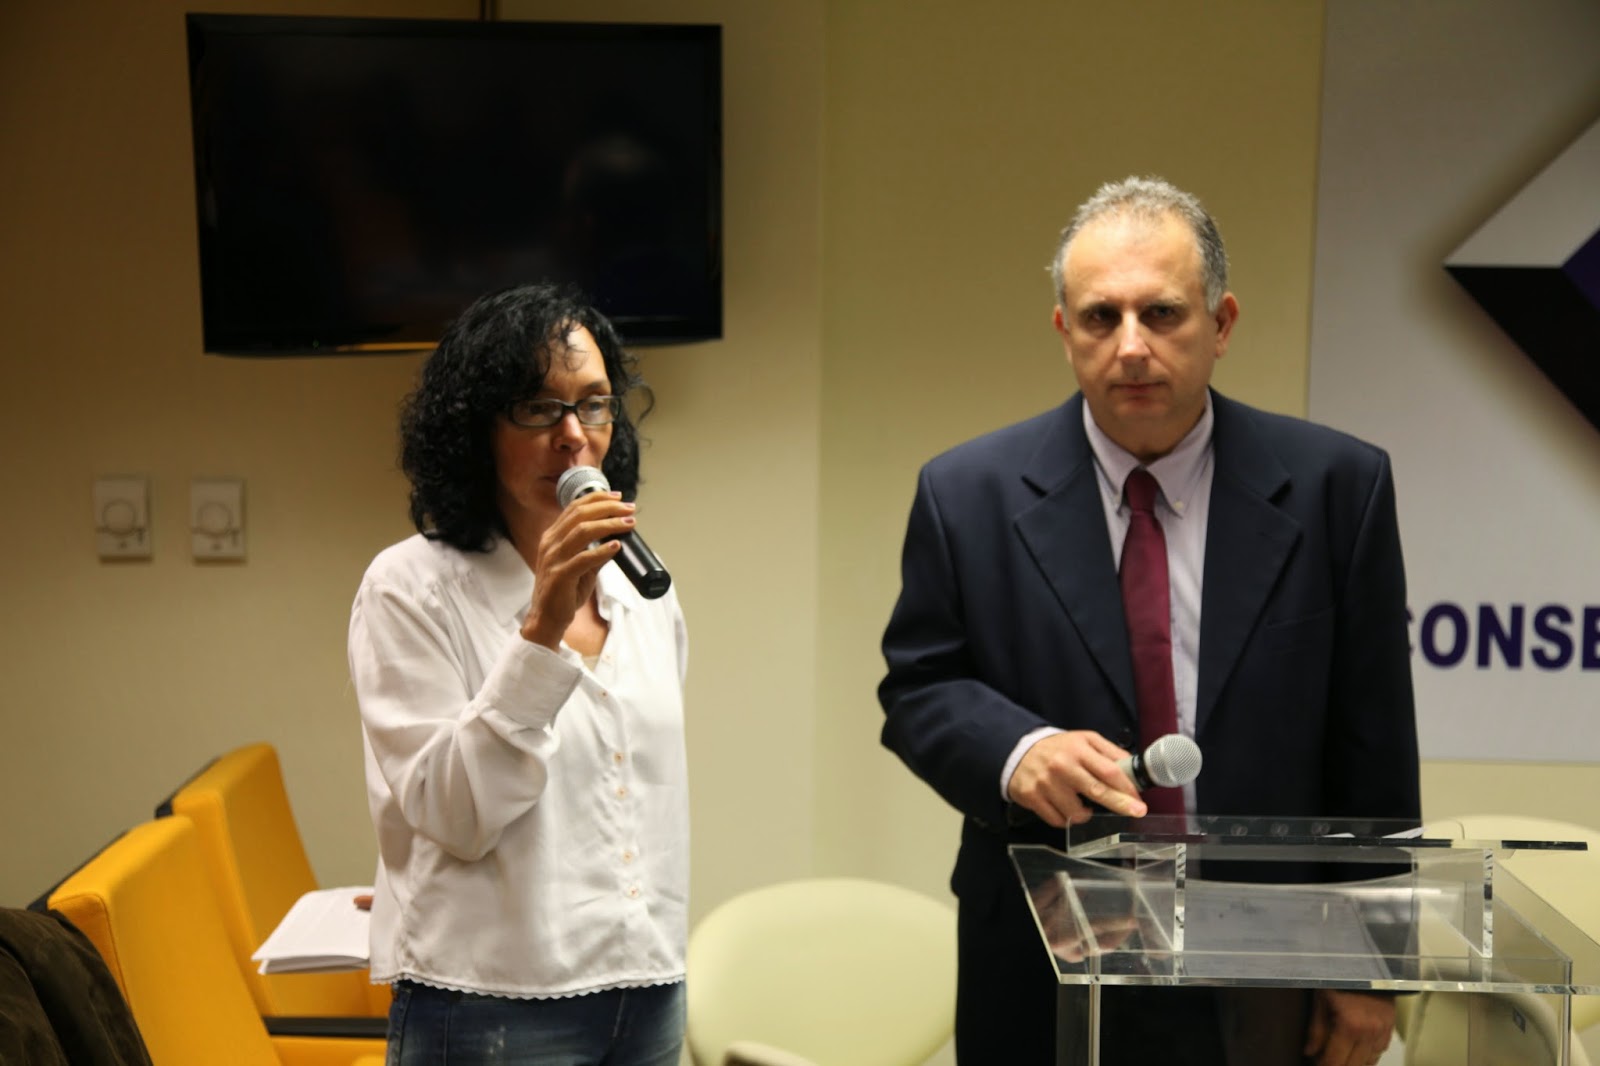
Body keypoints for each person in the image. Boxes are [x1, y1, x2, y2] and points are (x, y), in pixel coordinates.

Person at [878, 177, 1419, 1066]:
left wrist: (1373, 965)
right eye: (1101, 317)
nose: (1131, 346)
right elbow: (919, 687)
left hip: (1267, 960)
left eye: (1162, 313)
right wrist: (1017, 753)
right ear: (1065, 331)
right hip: (1048, 956)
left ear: (1222, 323)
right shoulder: (965, 494)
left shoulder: (1336, 488)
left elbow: (1375, 744)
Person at [348, 283, 689, 1066]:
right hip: (488, 1003)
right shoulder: (411, 587)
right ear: (478, 429)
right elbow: (454, 812)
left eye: (593, 404)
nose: (572, 436)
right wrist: (540, 630)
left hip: (646, 985)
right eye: (538, 408)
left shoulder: (645, 594)